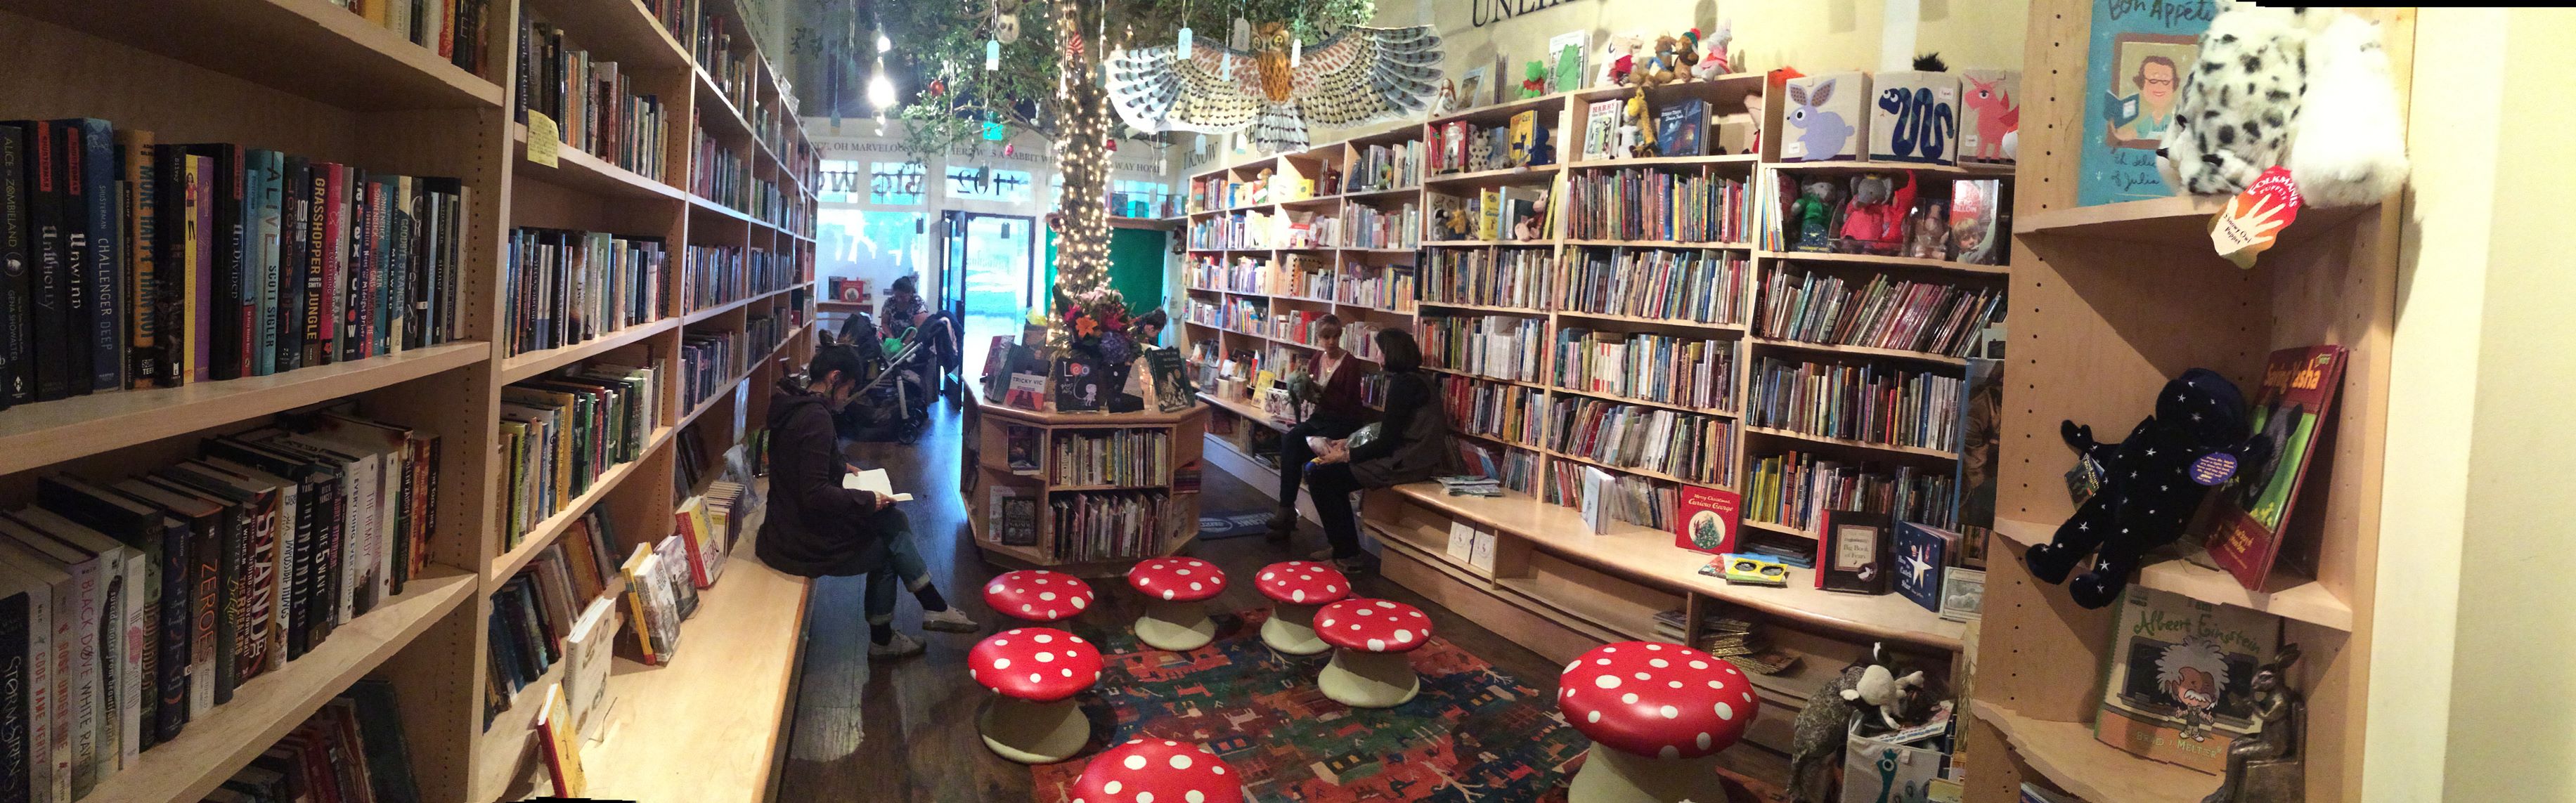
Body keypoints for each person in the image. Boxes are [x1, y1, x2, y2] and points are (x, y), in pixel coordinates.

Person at [756, 344, 978, 658]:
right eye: (848, 389)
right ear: (834, 378)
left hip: (784, 525)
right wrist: (867, 500)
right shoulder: (816, 418)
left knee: (894, 519)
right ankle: (889, 637)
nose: (847, 398)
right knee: (887, 548)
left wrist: (839, 465)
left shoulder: (794, 405)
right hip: (800, 541)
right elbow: (815, 494)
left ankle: (932, 609)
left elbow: (800, 462)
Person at [1301, 329, 1456, 574]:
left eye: (1380, 351)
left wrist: (1347, 455)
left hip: (1405, 462)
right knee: (1321, 472)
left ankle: (1348, 555)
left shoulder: (1404, 385)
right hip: (1411, 456)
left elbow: (1387, 442)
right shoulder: (1417, 379)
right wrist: (1350, 442)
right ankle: (1343, 548)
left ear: (1391, 354)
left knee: (1320, 475)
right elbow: (1392, 431)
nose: (1377, 356)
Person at [1267, 315, 1368, 540]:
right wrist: (1302, 391)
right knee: (1291, 440)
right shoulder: (1316, 359)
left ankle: (1287, 516)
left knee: (1300, 446)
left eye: (1335, 337)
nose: (1331, 342)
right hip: (1320, 419)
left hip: (1344, 423)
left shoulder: (1350, 363)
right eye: (1326, 337)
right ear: (1319, 338)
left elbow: (1348, 403)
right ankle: (1286, 508)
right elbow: (1315, 400)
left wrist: (1317, 394)